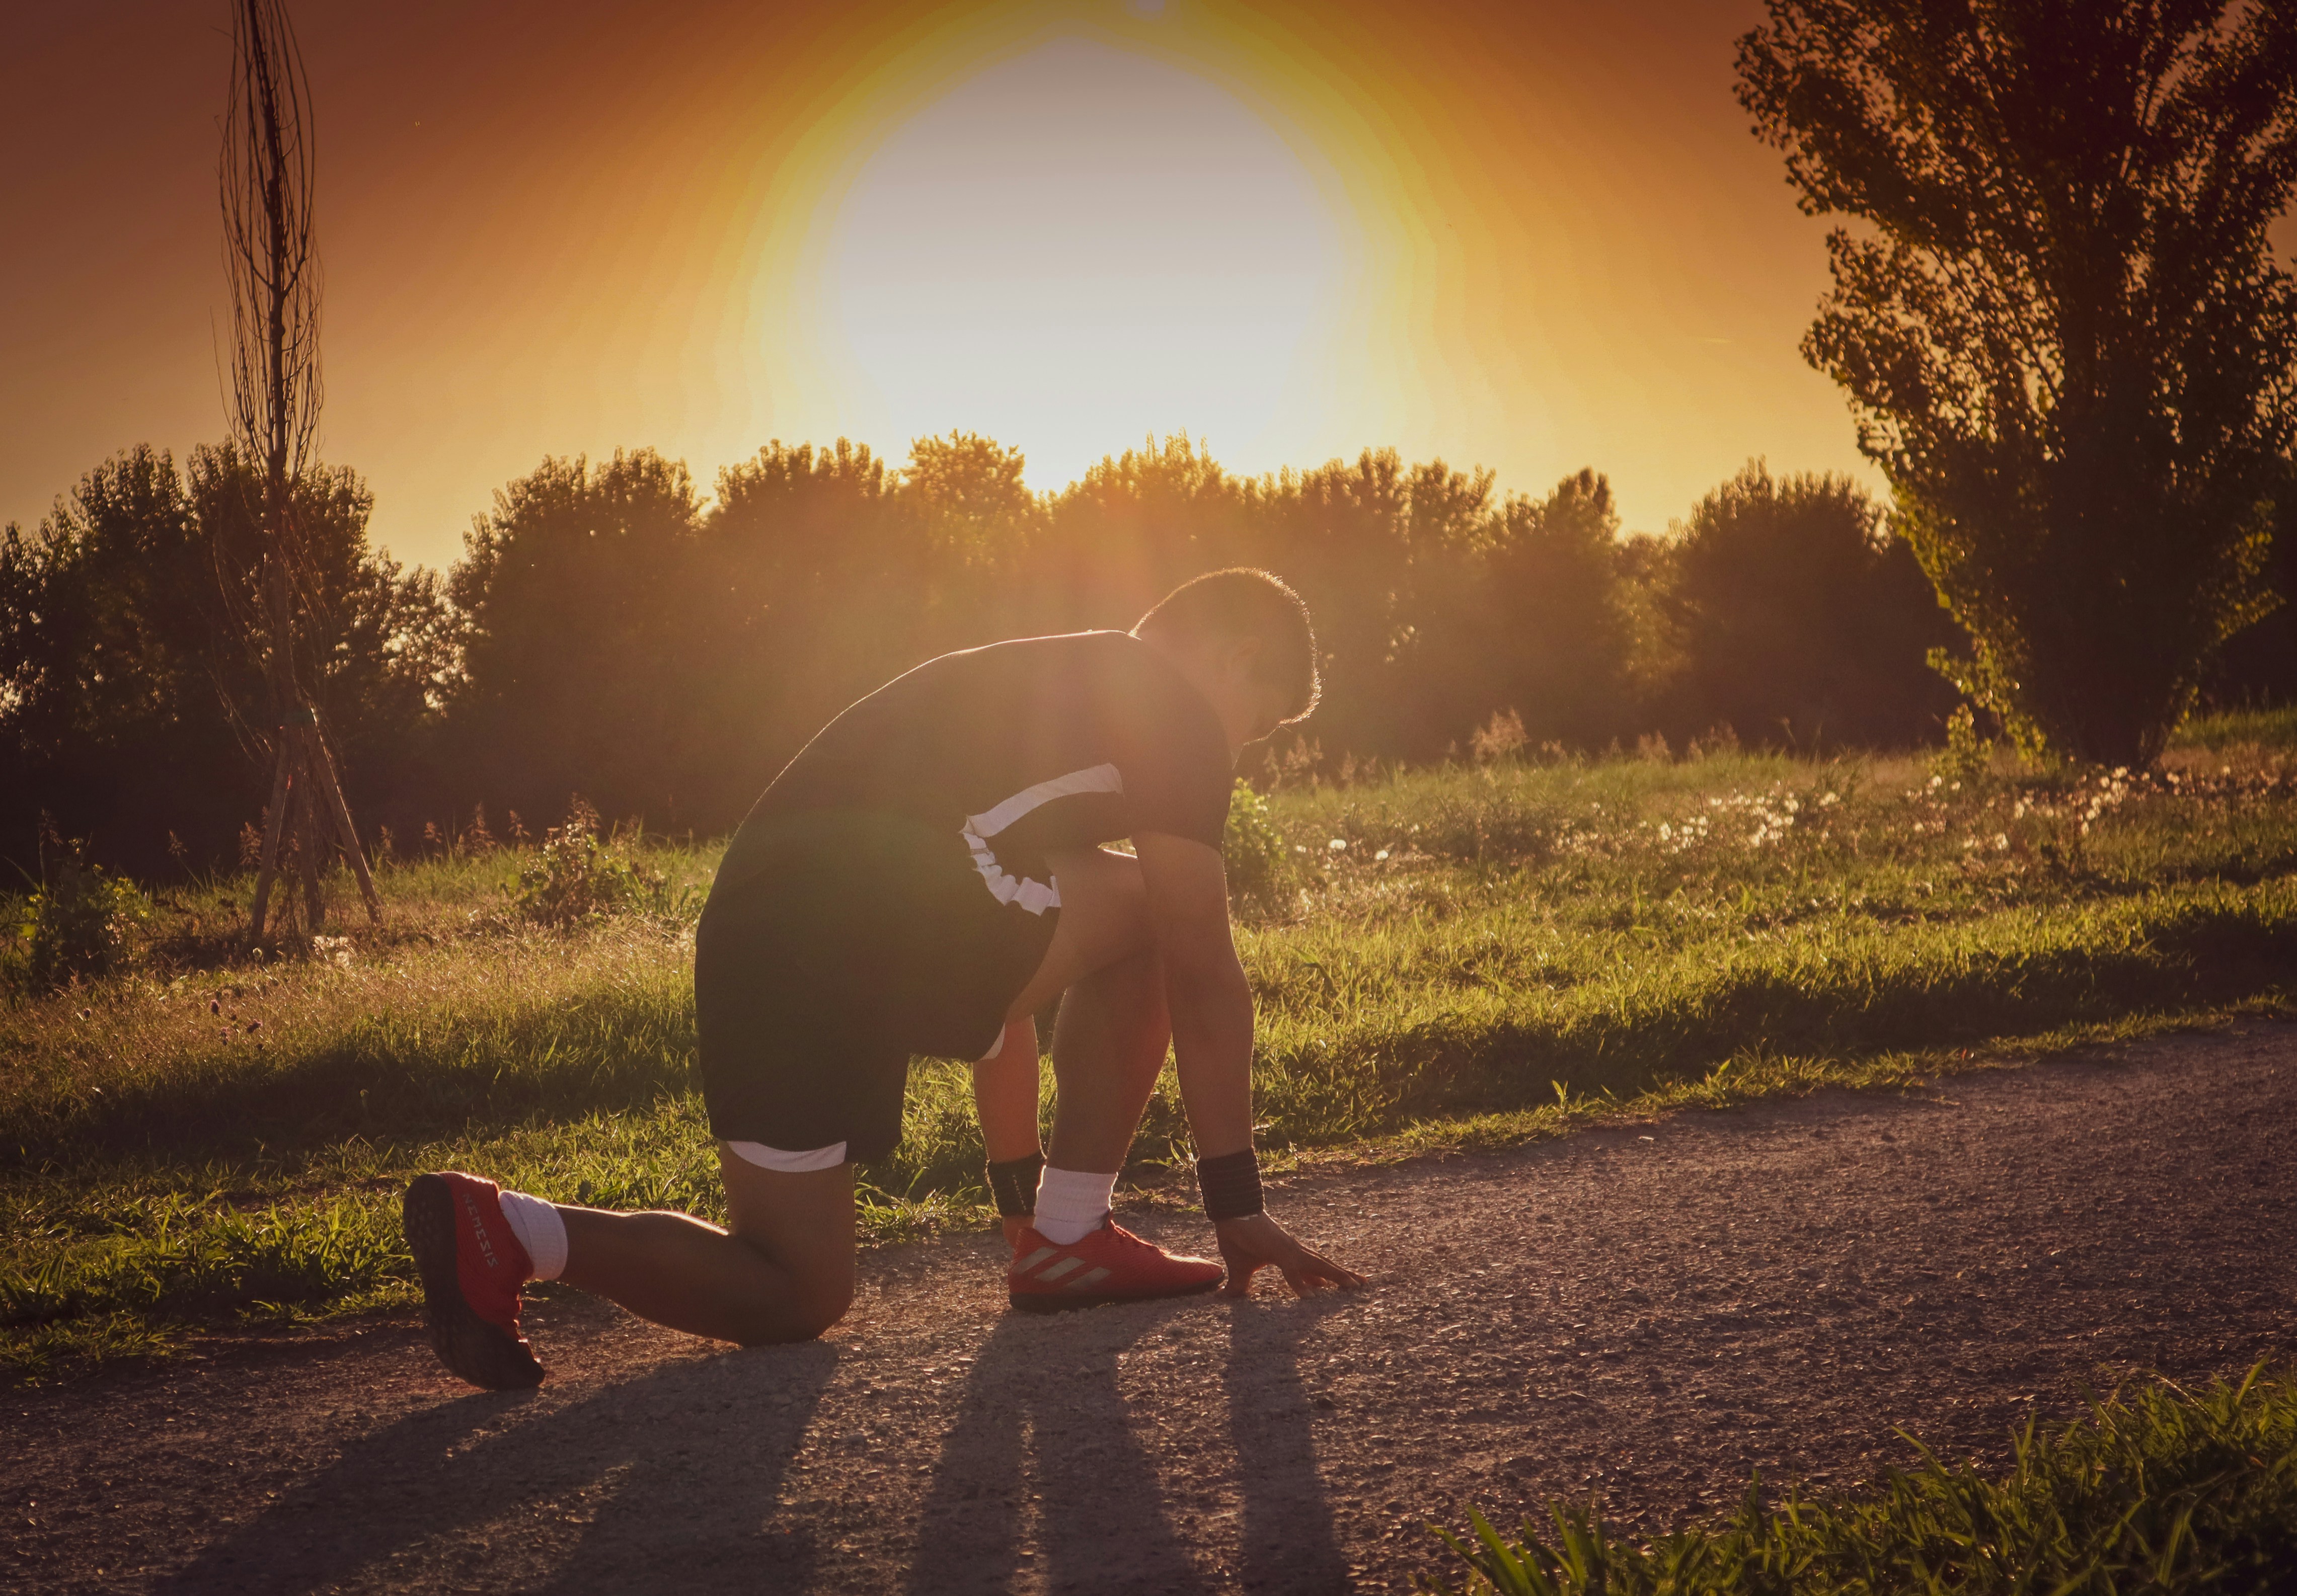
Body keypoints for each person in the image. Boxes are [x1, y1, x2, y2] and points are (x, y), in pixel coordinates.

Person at [404, 568, 1363, 1390]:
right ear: (1236, 658)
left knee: (796, 1289)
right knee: (1163, 910)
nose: (1244, 748)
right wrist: (1236, 1202)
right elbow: (1201, 969)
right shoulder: (1175, 710)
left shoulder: (1051, 693)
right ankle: (1075, 1237)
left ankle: (508, 1231)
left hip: (753, 925)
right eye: (1264, 722)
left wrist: (1015, 1194)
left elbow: (1009, 996)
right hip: (875, 896)